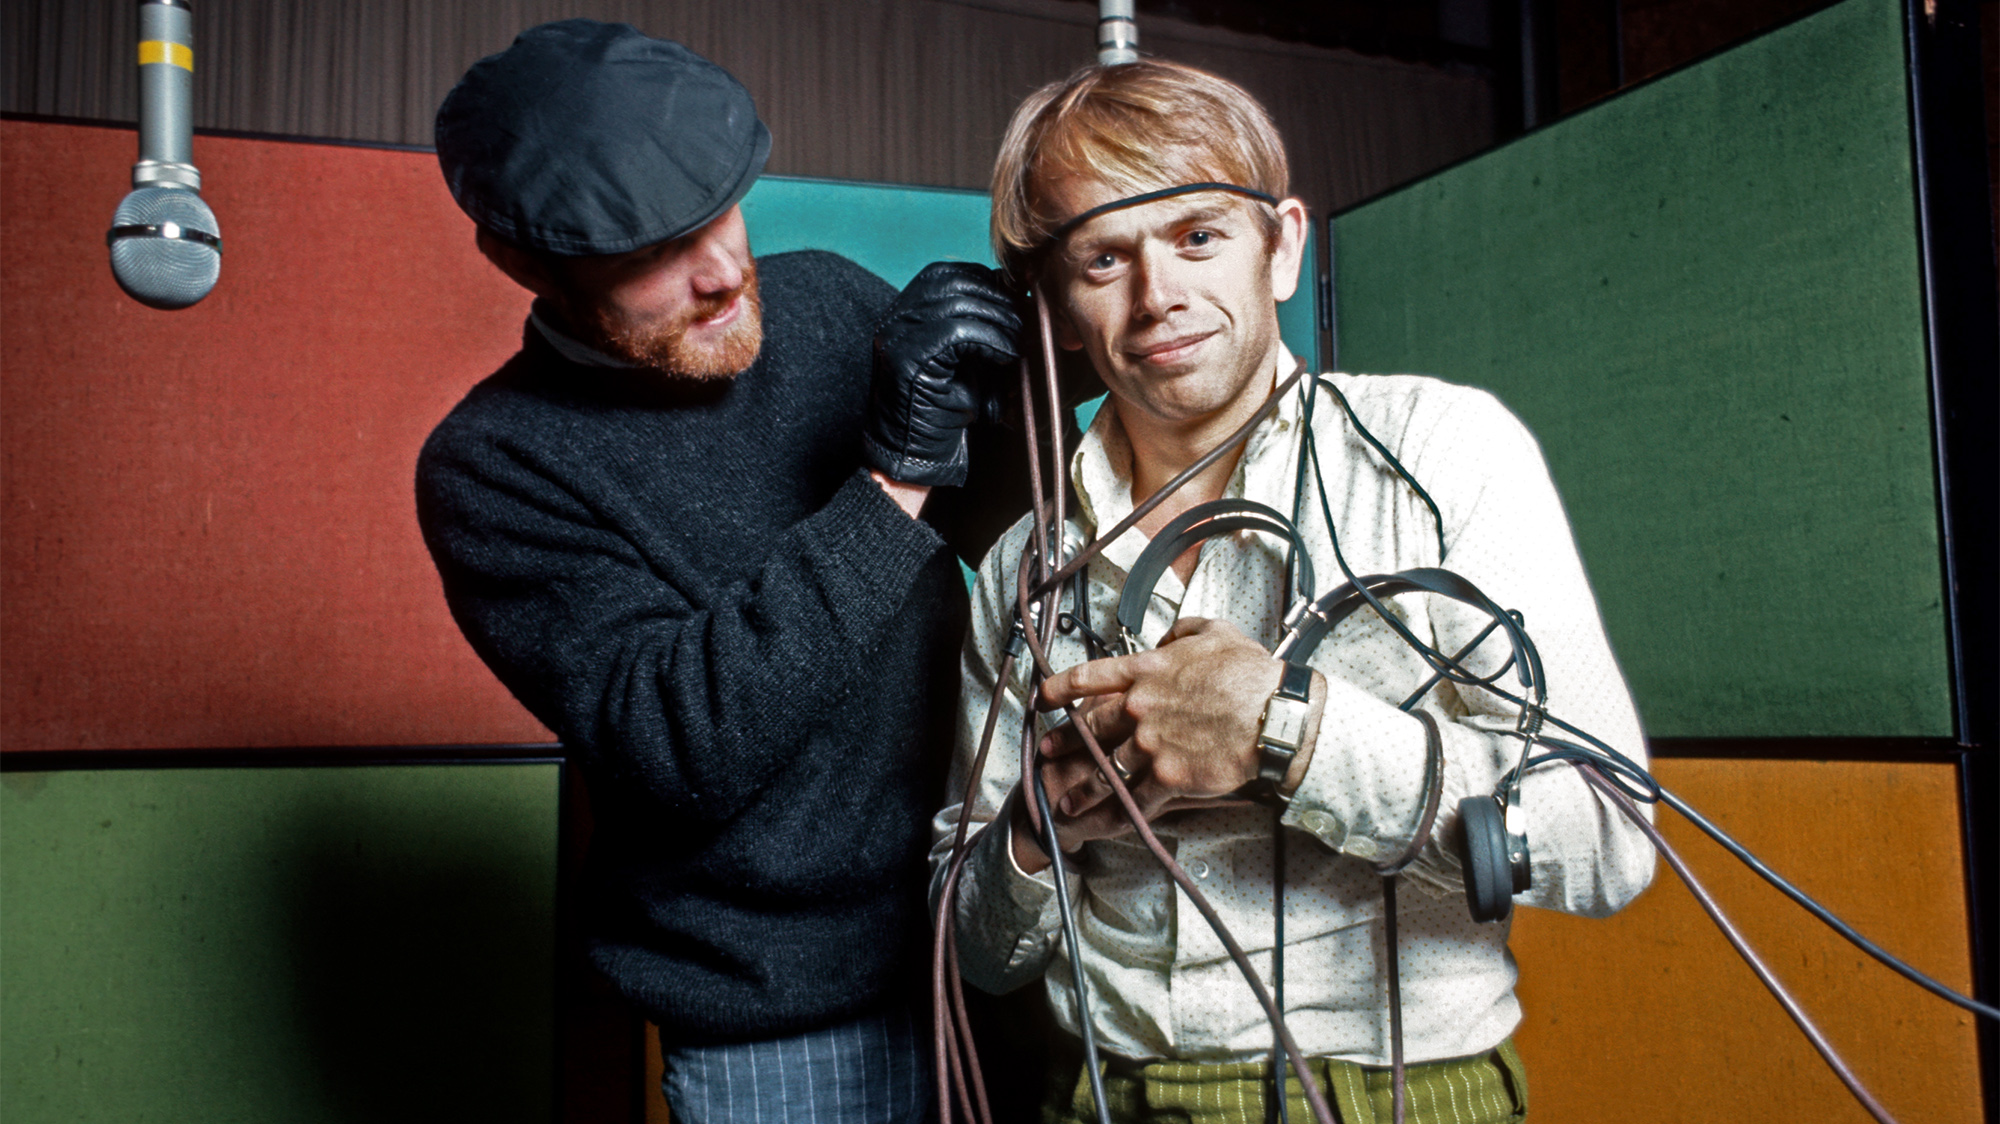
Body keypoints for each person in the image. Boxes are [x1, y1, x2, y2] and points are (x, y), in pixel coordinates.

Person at [931, 60, 1655, 1124]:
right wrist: (1044, 827)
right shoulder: (1022, 567)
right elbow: (976, 951)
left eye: (1195, 237)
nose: (1156, 296)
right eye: (1102, 256)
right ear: (1053, 307)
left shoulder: (1441, 453)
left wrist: (1287, 735)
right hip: (1099, 1095)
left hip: (1399, 1093)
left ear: (1281, 246)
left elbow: (1604, 833)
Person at [416, 21, 1022, 1124]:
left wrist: (1039, 356)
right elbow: (680, 745)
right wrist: (890, 480)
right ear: (523, 263)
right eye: (650, 251)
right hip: (783, 1019)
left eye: (718, 211)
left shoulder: (833, 299)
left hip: (996, 932)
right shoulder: (495, 466)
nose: (719, 271)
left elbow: (1028, 544)